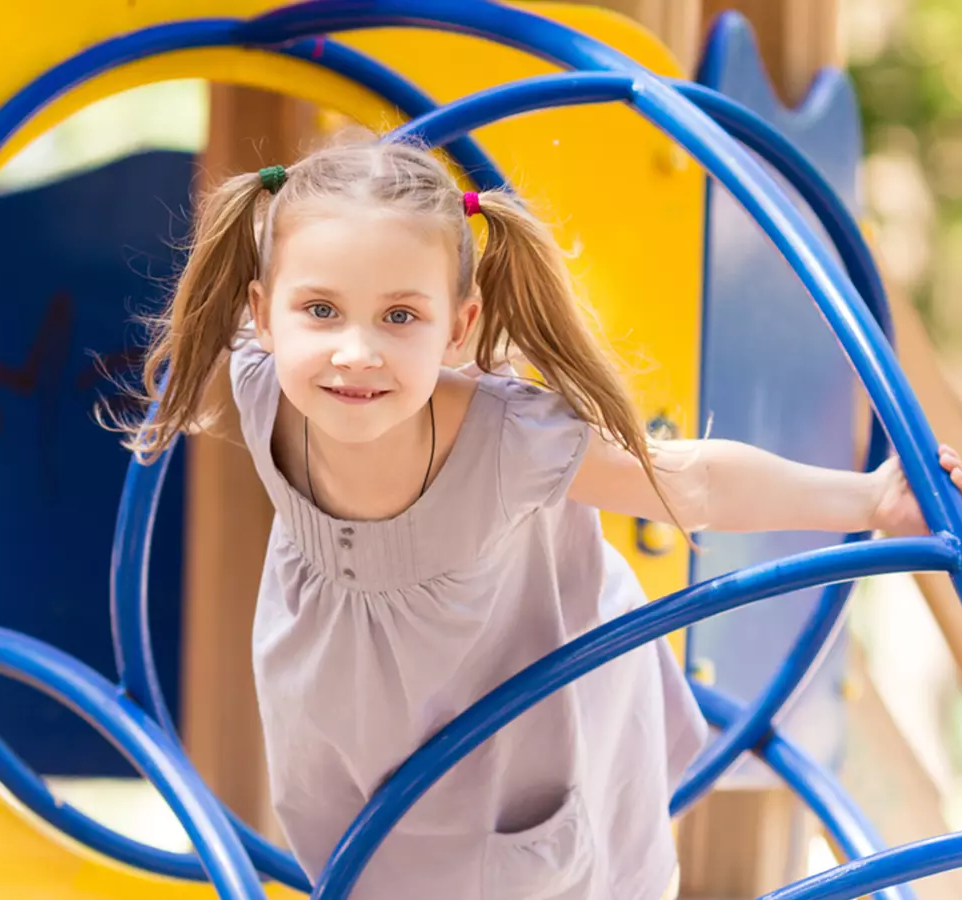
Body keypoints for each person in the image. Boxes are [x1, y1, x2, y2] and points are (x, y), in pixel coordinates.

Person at [112, 136, 962, 900]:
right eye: (320, 310)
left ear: (459, 328)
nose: (355, 352)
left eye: (400, 316)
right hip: (351, 733)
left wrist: (868, 501)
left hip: (524, 719)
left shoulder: (505, 437)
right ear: (263, 314)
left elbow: (692, 483)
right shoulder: (258, 387)